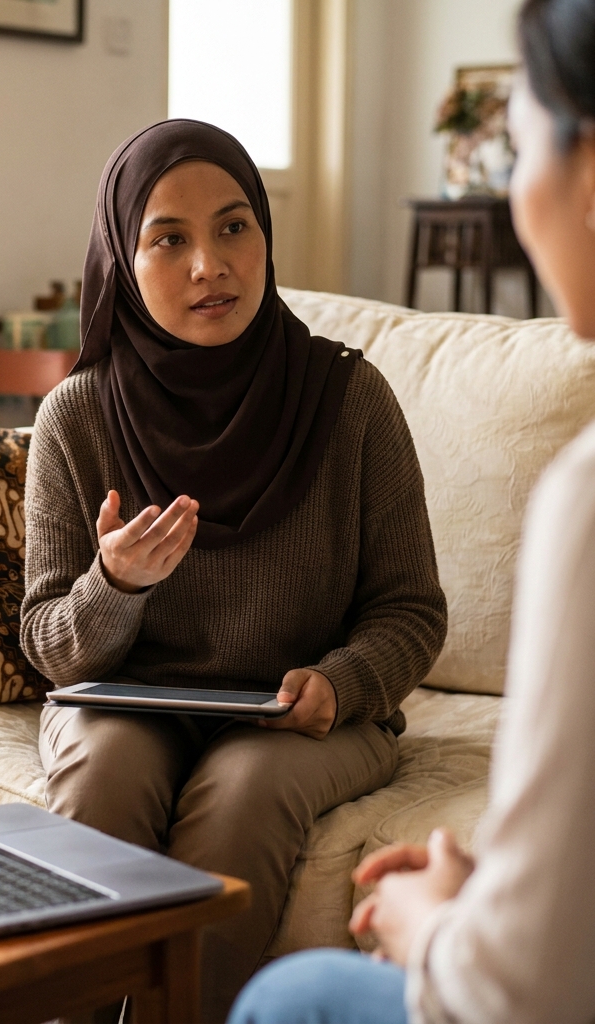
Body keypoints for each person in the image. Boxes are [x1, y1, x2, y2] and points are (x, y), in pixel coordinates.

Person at [20, 119, 447, 1022]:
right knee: (103, 776)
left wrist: (342, 682)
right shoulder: (77, 417)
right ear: (121, 262)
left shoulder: (350, 399)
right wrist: (117, 586)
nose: (209, 264)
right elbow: (51, 648)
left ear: (265, 236)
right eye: (168, 238)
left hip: (301, 718)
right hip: (129, 702)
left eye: (234, 226)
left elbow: (410, 610)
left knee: (244, 792)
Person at [227, 2, 595, 1022]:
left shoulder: (584, 495)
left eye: (518, 148)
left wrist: (430, 923)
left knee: (291, 994)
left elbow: (520, 993)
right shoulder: (89, 407)